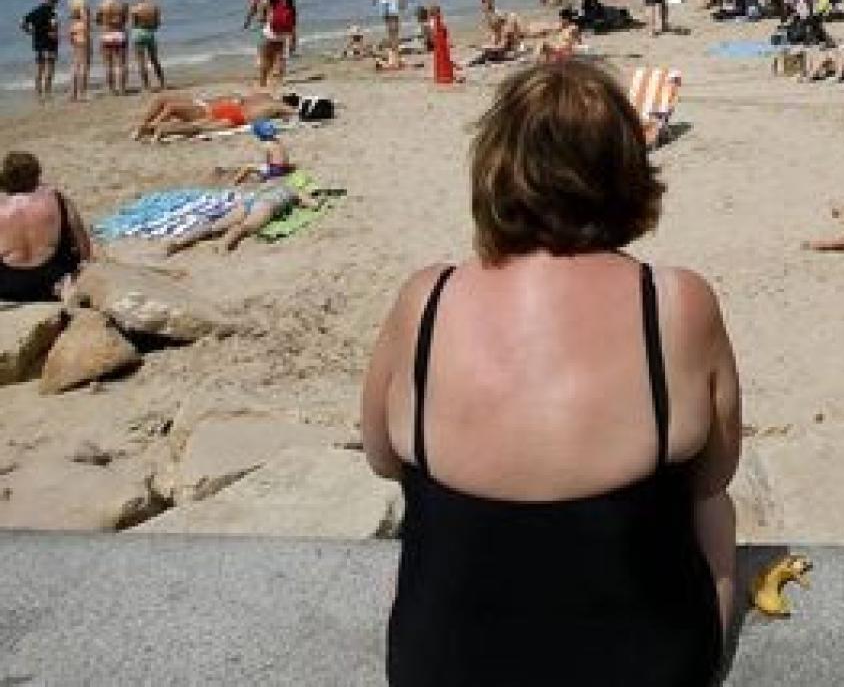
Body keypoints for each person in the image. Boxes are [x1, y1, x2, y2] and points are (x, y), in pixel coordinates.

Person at [362, 61, 740, 685]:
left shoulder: (425, 299)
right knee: (715, 508)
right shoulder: (674, 303)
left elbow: (381, 457)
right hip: (643, 668)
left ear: (495, 168)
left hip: (443, 668)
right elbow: (715, 474)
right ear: (626, 173)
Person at [0, 152, 93, 302]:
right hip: (52, 279)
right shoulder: (57, 198)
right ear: (37, 175)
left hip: (9, 286)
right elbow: (83, 244)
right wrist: (83, 269)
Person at [165, 180, 322, 256]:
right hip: (266, 205)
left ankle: (179, 242)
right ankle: (223, 245)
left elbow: (255, 188)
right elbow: (313, 205)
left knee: (214, 226)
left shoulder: (272, 183)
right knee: (243, 227)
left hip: (248, 202)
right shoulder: (294, 190)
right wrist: (311, 201)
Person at [132, 91, 293, 142]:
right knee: (199, 127)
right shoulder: (273, 105)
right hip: (234, 116)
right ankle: (158, 129)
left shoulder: (263, 97)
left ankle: (152, 128)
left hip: (226, 112)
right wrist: (288, 114)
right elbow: (292, 112)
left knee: (199, 125)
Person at [220, 119, 294, 185]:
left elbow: (268, 161)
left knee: (248, 167)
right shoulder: (278, 142)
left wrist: (265, 174)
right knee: (261, 168)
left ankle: (234, 184)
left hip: (276, 170)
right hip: (284, 168)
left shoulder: (267, 144)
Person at [21, 0, 59, 101]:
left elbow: (22, 22)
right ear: (49, 2)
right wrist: (55, 35)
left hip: (38, 43)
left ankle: (38, 92)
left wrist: (29, 31)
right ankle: (47, 91)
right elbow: (54, 25)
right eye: (54, 2)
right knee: (50, 67)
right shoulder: (52, 13)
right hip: (50, 43)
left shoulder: (34, 12)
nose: (55, 4)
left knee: (39, 67)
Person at [95, 0, 130, 96]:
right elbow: (125, 20)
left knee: (108, 64)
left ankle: (112, 90)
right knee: (122, 63)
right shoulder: (123, 4)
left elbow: (98, 20)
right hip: (119, 33)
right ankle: (123, 89)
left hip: (107, 33)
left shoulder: (101, 4)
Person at [258, 0, 294, 88]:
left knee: (266, 59)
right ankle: (278, 82)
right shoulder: (283, 0)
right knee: (279, 58)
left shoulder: (265, 2)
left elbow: (260, 18)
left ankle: (263, 83)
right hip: (282, 34)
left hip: (269, 34)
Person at [130, 0, 166, 92]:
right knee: (154, 59)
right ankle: (162, 83)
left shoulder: (134, 9)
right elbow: (157, 23)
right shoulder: (154, 7)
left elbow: (133, 24)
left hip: (138, 33)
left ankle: (146, 86)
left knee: (141, 61)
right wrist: (151, 28)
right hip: (150, 33)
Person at [67, 0, 92, 102]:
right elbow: (85, 19)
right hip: (82, 31)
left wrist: (71, 34)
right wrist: (87, 34)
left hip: (74, 30)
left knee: (76, 63)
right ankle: (82, 93)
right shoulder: (82, 2)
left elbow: (72, 18)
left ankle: (73, 93)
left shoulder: (71, 1)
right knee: (85, 64)